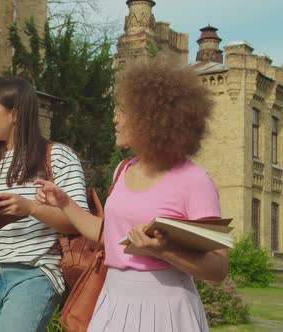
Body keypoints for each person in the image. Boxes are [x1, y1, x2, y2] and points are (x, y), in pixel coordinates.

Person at [34, 58, 228, 332]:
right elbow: (108, 234)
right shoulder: (123, 169)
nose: (115, 118)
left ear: (153, 118)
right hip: (113, 302)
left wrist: (164, 250)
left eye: (123, 110)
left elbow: (218, 268)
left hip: (166, 308)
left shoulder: (195, 180)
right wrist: (65, 203)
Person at [0, 76, 88, 332]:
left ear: (14, 114)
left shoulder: (56, 156)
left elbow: (80, 223)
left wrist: (31, 208)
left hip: (33, 272)